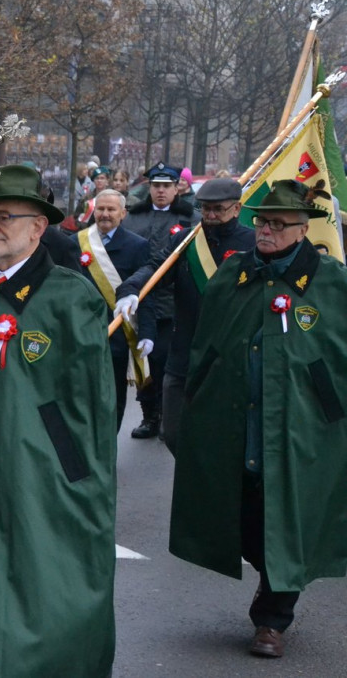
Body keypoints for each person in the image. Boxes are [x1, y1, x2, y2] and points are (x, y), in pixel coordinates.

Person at [0, 164, 117, 677]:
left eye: (6, 216)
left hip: (39, 480)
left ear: (38, 226)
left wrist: (76, 476)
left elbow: (95, 408)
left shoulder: (69, 299)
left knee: (37, 592)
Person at [169, 179, 347, 658]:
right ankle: (272, 573)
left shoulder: (333, 282)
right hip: (235, 421)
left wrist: (328, 401)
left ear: (302, 228)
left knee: (287, 515)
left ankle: (272, 618)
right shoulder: (233, 276)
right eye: (261, 222)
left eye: (275, 224)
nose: (264, 231)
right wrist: (195, 391)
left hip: (302, 428)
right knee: (244, 515)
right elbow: (208, 340)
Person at [115, 177, 254, 453]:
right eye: (205, 209)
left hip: (229, 355)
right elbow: (157, 269)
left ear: (237, 209)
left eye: (218, 209)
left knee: (222, 438)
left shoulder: (251, 242)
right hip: (184, 354)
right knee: (173, 432)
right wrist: (132, 289)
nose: (211, 216)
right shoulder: (186, 239)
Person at [121, 161, 199, 439]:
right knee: (142, 360)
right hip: (139, 300)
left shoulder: (190, 219)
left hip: (172, 303)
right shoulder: (133, 217)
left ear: (177, 187)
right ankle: (149, 415)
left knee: (165, 359)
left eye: (167, 186)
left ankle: (168, 414)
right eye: (156, 186)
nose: (161, 191)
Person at [70, 188, 154, 431]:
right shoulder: (75, 243)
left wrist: (147, 333)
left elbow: (145, 295)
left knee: (113, 400)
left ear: (123, 213)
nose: (105, 214)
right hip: (81, 336)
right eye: (100, 209)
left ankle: (108, 455)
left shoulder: (138, 246)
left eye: (111, 209)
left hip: (116, 338)